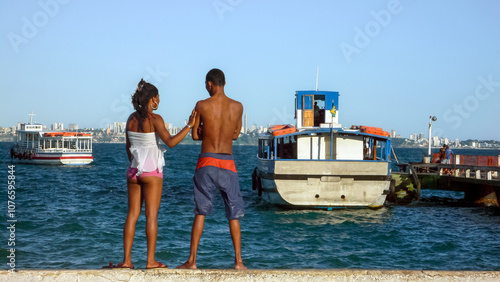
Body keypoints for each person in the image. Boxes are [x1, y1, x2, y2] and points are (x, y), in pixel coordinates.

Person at [107, 79, 196, 269]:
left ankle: (127, 261)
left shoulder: (130, 119)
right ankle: (150, 261)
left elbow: (128, 147)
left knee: (132, 215)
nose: (159, 101)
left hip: (133, 170)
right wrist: (189, 126)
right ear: (152, 100)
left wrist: (135, 165)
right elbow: (170, 143)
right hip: (152, 172)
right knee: (151, 216)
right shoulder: (155, 119)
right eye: (158, 98)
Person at [177, 68, 247, 270]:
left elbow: (196, 137)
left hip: (207, 161)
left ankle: (192, 261)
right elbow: (235, 135)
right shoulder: (238, 107)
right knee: (233, 213)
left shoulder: (201, 105)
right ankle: (239, 263)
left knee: (200, 212)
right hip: (227, 162)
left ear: (209, 84)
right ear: (223, 83)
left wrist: (202, 130)